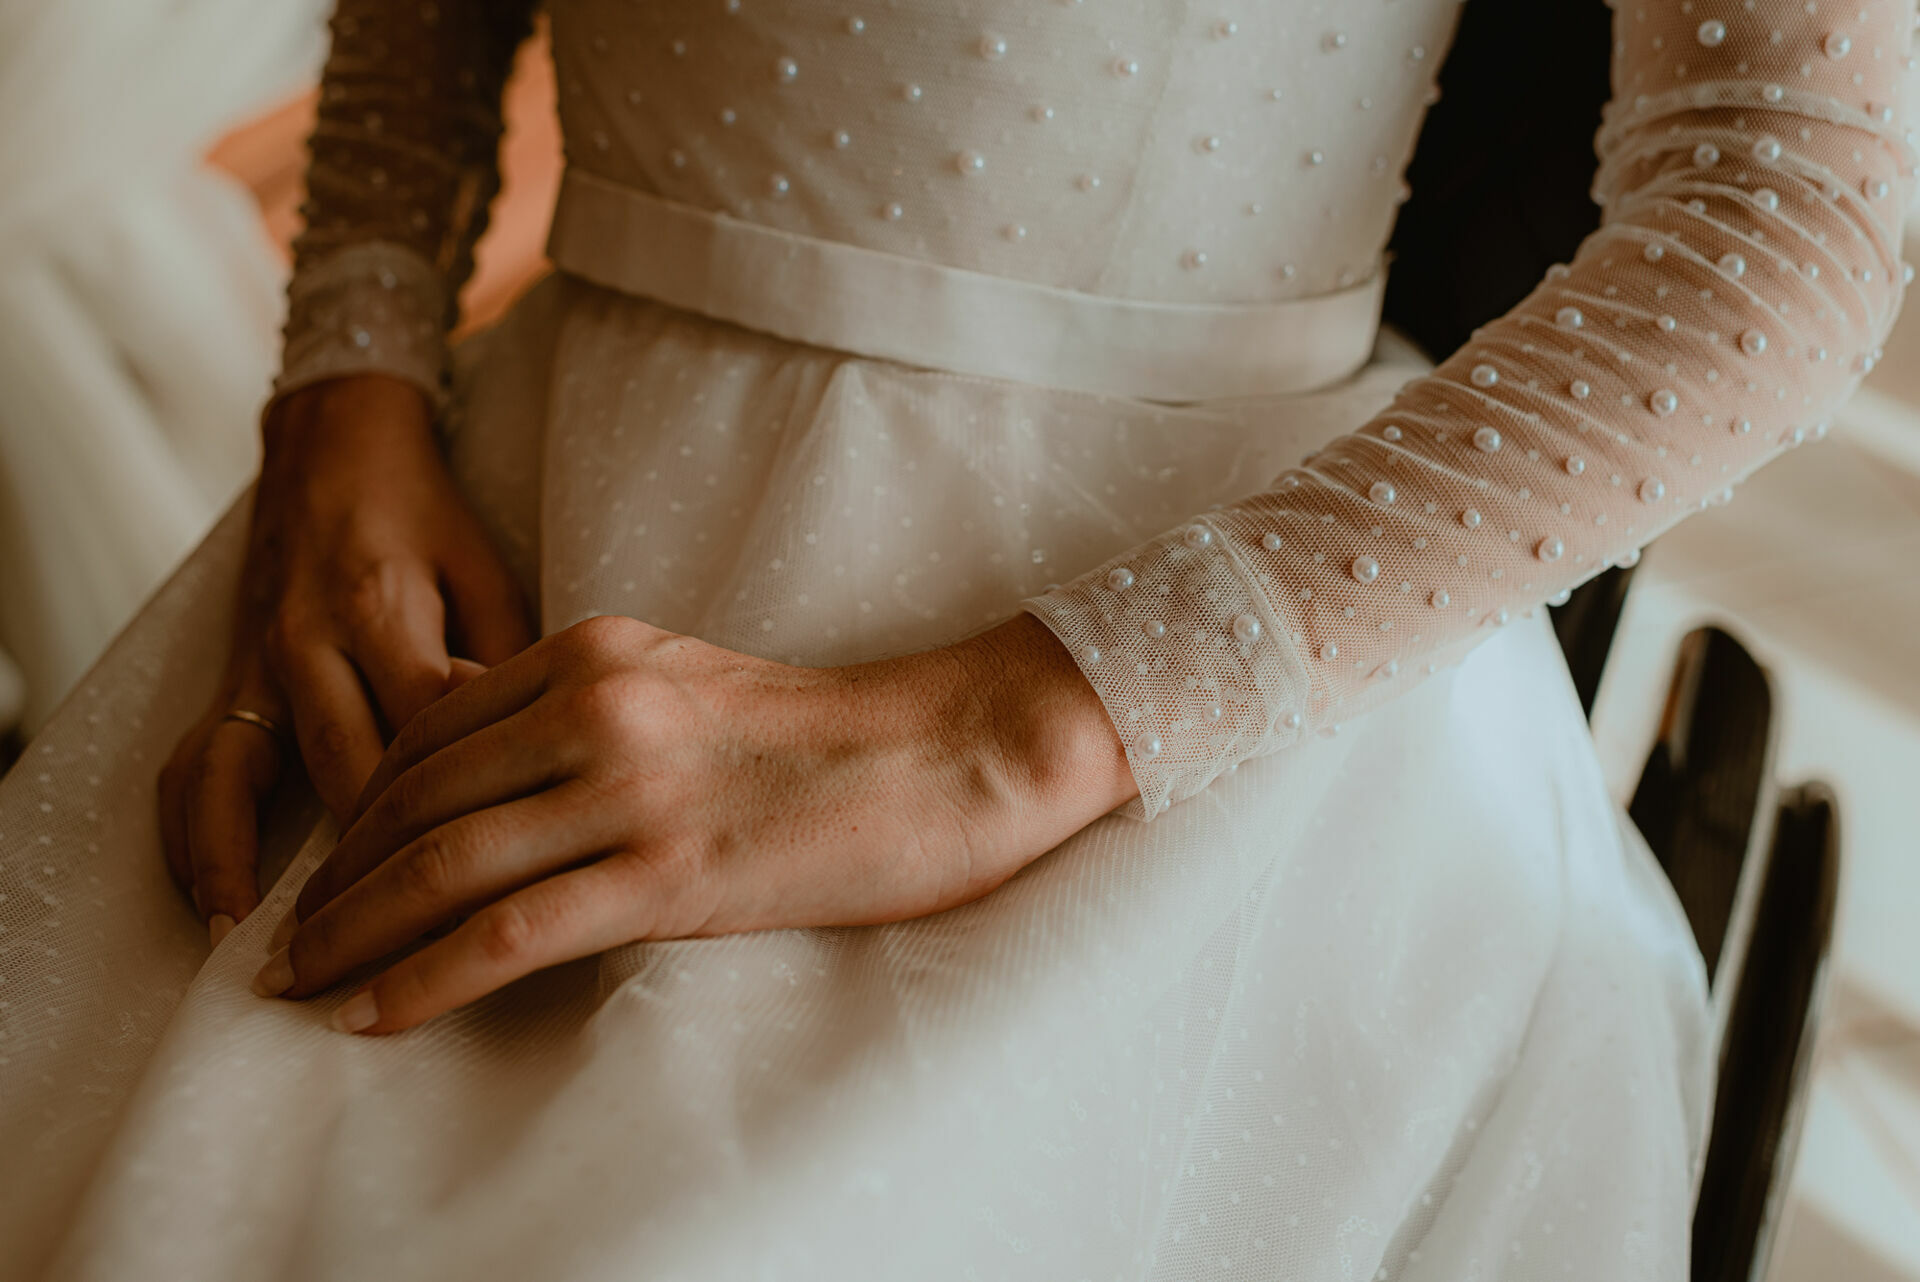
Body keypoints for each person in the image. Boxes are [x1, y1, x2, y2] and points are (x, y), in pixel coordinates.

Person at [2, 1, 1909, 1277]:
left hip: (1164, 660)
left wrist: (1002, 732)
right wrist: (349, 363)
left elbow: (1789, 200)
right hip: (493, 507)